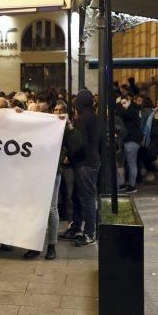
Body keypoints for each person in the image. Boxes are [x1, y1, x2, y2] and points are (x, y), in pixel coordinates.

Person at [25, 99, 80, 260]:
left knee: (51, 208)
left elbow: (76, 143)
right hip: (34, 171)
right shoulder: (35, 124)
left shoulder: (56, 126)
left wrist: (68, 125)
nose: (55, 113)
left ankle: (51, 245)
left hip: (52, 171)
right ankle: (34, 245)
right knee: (35, 209)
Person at [59, 89, 100, 247]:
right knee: (79, 197)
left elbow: (80, 143)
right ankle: (77, 228)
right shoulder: (94, 117)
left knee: (87, 199)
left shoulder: (83, 119)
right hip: (90, 162)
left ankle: (89, 233)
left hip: (85, 164)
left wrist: (70, 154)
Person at [116, 94, 142, 193]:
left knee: (131, 163)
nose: (123, 105)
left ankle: (132, 185)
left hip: (131, 140)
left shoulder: (132, 110)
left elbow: (123, 114)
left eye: (124, 103)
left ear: (129, 100)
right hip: (130, 140)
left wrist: (118, 103)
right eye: (122, 103)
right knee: (128, 163)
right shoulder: (132, 109)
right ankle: (128, 184)